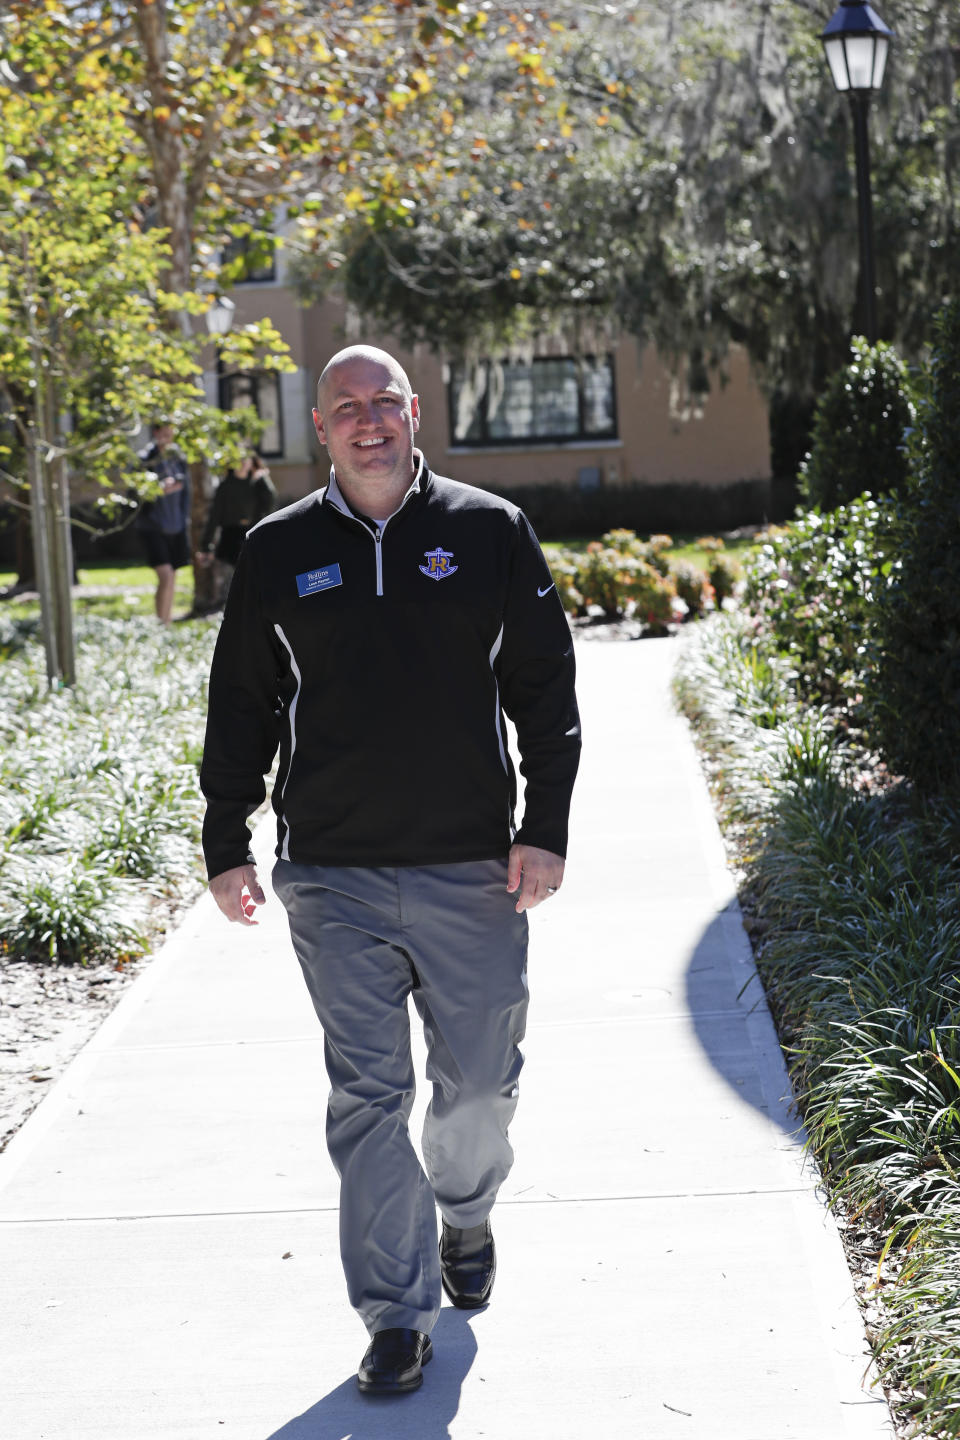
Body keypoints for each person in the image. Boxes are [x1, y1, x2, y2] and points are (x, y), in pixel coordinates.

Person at [199, 345, 581, 1396]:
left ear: (416, 413)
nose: (369, 422)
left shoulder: (487, 531)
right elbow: (244, 699)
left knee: (478, 1090)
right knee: (367, 1098)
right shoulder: (279, 549)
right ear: (318, 428)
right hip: (335, 873)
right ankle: (394, 1315)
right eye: (346, 408)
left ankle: (466, 1211)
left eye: (385, 403)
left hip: (473, 869)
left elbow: (544, 687)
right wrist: (227, 838)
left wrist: (542, 824)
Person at [196, 450, 277, 606]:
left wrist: (263, 478)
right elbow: (214, 517)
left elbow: (270, 501)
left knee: (255, 580)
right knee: (230, 583)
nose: (242, 463)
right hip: (230, 536)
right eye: (238, 460)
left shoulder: (257, 484)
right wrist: (206, 546)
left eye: (246, 459)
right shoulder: (226, 486)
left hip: (252, 533)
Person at [135, 420, 190, 625]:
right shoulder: (145, 459)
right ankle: (162, 623)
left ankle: (166, 620)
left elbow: (187, 491)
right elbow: (135, 491)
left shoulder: (178, 458)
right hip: (152, 526)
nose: (168, 439)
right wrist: (158, 490)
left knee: (172, 576)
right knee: (165, 575)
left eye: (171, 434)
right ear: (156, 432)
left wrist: (185, 520)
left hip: (176, 524)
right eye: (164, 434)